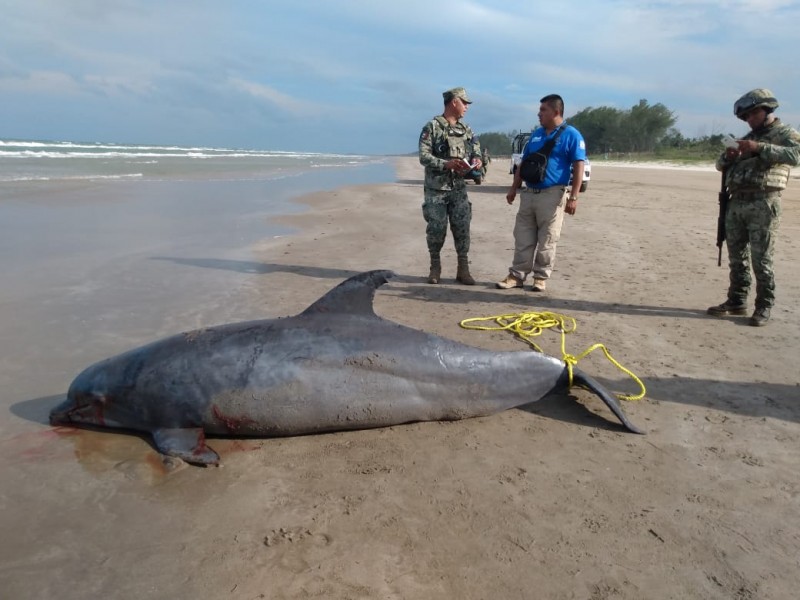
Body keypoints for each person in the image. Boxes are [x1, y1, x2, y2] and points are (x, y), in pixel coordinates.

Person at [707, 88, 800, 326]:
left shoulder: (784, 133)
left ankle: (763, 307)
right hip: (736, 201)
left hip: (763, 202)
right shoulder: (749, 137)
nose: (749, 119)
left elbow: (795, 155)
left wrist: (759, 148)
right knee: (737, 257)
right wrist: (729, 155)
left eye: (752, 114)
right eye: (745, 117)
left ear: (766, 109)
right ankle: (737, 301)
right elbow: (720, 165)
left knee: (762, 259)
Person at [496, 94, 586, 292]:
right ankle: (516, 276)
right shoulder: (536, 134)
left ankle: (540, 277)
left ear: (556, 112)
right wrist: (513, 188)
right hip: (529, 194)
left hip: (552, 195)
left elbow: (579, 165)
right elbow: (523, 163)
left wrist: (574, 197)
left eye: (543, 110)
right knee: (523, 236)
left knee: (547, 239)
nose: (539, 114)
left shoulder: (572, 135)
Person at [418, 87, 482, 285]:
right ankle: (435, 267)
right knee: (436, 229)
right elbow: (424, 155)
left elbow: (476, 151)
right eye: (464, 103)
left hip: (458, 188)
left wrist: (477, 160)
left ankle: (463, 269)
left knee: (462, 228)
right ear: (454, 102)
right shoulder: (433, 127)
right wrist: (445, 164)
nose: (467, 107)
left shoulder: (467, 130)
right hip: (437, 189)